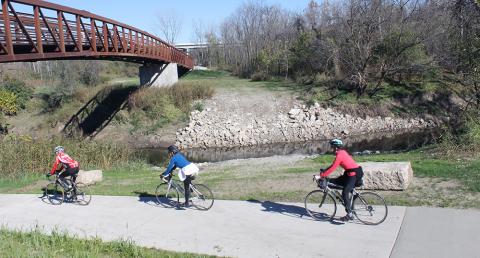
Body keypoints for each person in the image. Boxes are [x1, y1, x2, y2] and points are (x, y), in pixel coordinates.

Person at [318, 139, 364, 221]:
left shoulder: (340, 155)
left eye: (332, 147)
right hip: (349, 174)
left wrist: (322, 175)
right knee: (334, 181)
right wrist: (324, 171)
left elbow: (333, 168)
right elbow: (333, 165)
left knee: (345, 192)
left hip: (353, 175)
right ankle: (349, 203)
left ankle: (350, 214)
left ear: (335, 147)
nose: (331, 148)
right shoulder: (342, 152)